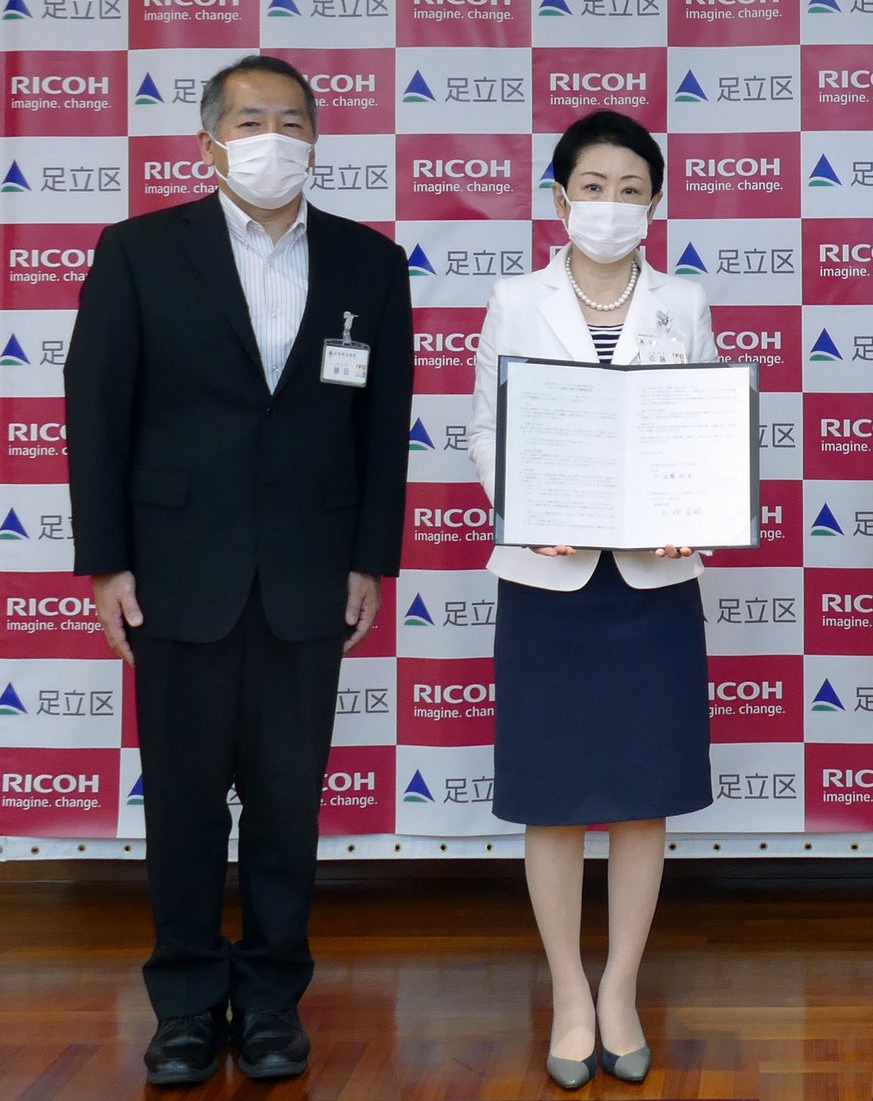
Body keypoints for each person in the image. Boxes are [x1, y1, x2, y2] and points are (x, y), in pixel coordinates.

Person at [63, 54, 413, 1086]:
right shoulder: (138, 251)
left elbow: (383, 423)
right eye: (252, 120)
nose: (274, 138)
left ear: (317, 140)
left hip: (310, 572)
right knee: (179, 803)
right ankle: (183, 1005)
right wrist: (106, 564)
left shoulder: (368, 261)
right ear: (209, 141)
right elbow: (94, 410)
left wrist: (370, 560)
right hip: (176, 573)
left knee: (286, 804)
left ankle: (268, 1000)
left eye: (292, 121)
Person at [465, 110, 716, 1090]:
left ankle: (620, 989)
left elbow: (697, 428)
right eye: (593, 187)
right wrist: (526, 511)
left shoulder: (682, 301)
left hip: (651, 581)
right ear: (558, 198)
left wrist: (689, 512)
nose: (610, 206)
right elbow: (487, 427)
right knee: (554, 796)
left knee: (643, 795)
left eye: (631, 190)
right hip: (549, 577)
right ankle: (569, 993)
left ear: (655, 204)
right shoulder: (514, 299)